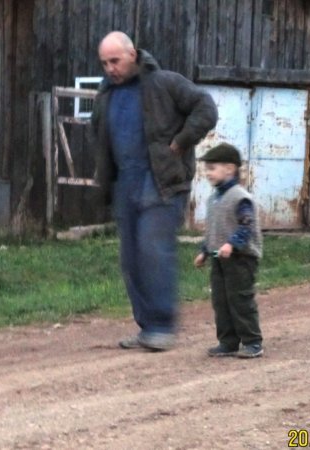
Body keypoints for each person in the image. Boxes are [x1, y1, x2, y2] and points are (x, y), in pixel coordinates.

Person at [92, 31, 218, 351]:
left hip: (161, 181)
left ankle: (162, 325)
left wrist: (181, 141)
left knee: (153, 249)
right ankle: (147, 327)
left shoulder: (164, 83)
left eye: (115, 61)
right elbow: (101, 139)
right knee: (131, 259)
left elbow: (205, 107)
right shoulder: (106, 95)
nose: (110, 68)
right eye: (104, 63)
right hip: (125, 184)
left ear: (132, 54)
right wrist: (105, 181)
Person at [193, 143, 264, 358]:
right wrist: (205, 251)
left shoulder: (240, 197)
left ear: (229, 169)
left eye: (212, 168)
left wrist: (232, 244)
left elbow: (246, 226)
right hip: (219, 258)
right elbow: (213, 230)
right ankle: (228, 341)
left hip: (241, 258)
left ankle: (253, 342)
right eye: (207, 168)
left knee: (240, 298)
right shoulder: (214, 199)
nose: (208, 173)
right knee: (221, 300)